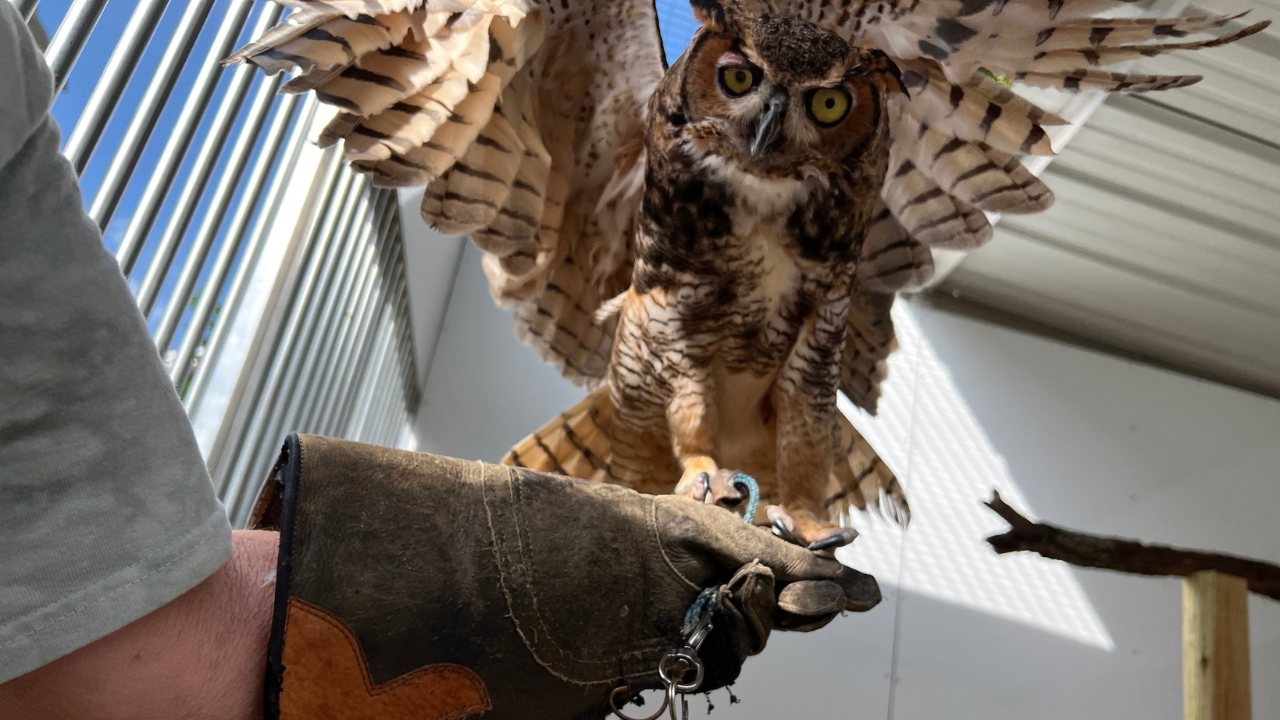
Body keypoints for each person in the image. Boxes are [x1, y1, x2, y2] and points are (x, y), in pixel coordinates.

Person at [0, 5, 878, 718]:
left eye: (827, 107)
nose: (770, 125)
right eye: (738, 82)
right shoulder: (652, 125)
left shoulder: (849, 190)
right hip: (660, 385)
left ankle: (784, 511)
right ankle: (701, 483)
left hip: (791, 387)